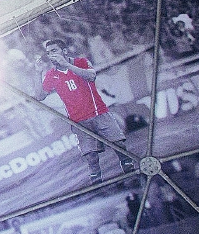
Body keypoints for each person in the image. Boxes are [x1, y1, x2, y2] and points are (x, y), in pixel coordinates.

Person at [35, 38, 136, 182]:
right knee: (91, 156)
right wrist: (38, 74)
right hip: (78, 121)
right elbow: (39, 96)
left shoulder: (80, 62)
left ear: (64, 51)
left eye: (54, 51)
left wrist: (67, 65)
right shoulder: (51, 74)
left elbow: (91, 76)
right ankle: (98, 181)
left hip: (98, 112)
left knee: (118, 143)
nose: (51, 55)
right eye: (48, 52)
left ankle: (127, 165)